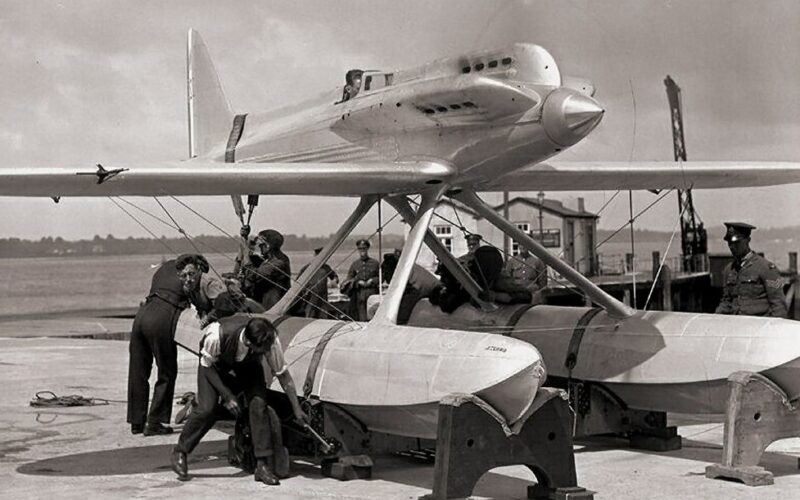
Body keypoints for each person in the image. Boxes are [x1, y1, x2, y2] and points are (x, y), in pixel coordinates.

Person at [171, 316, 308, 485]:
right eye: (263, 350)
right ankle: (181, 450)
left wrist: (296, 408)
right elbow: (207, 365)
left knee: (259, 405)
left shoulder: (270, 340)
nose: (267, 352)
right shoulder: (216, 334)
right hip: (214, 368)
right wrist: (227, 396)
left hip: (248, 368)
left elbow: (283, 375)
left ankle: (262, 465)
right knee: (208, 408)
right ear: (251, 344)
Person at [127, 257, 189, 436]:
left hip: (142, 315)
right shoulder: (189, 274)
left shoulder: (162, 271)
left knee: (138, 370)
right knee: (167, 372)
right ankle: (154, 422)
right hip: (161, 318)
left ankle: (136, 422)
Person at [715, 222, 787, 318]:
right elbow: (726, 302)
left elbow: (779, 305)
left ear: (747, 240)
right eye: (729, 243)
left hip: (758, 326)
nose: (732, 247)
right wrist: (714, 318)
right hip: (734, 325)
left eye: (736, 242)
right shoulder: (729, 270)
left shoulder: (767, 268)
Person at [245, 229, 292, 310]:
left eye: (260, 245)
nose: (258, 246)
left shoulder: (279, 262)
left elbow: (254, 276)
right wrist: (244, 238)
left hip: (272, 308)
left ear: (267, 246)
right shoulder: (267, 259)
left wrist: (248, 253)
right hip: (263, 304)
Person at [176, 253, 227, 327]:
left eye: (191, 274)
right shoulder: (187, 287)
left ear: (198, 270)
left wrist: (207, 318)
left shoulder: (209, 283)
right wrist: (202, 313)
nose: (188, 279)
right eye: (183, 276)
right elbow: (200, 306)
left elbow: (221, 305)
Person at [295, 247, 339, 319]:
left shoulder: (326, 268)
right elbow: (297, 283)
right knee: (310, 317)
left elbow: (334, 277)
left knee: (323, 318)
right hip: (310, 299)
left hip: (323, 299)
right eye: (319, 256)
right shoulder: (306, 268)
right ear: (315, 256)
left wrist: (333, 282)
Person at [341, 239, 379, 321]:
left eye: (364, 248)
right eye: (360, 249)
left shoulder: (375, 263)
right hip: (360, 295)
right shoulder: (355, 264)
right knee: (361, 318)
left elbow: (381, 277)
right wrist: (357, 282)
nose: (362, 251)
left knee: (373, 317)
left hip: (372, 293)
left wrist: (373, 280)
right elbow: (349, 279)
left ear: (367, 249)